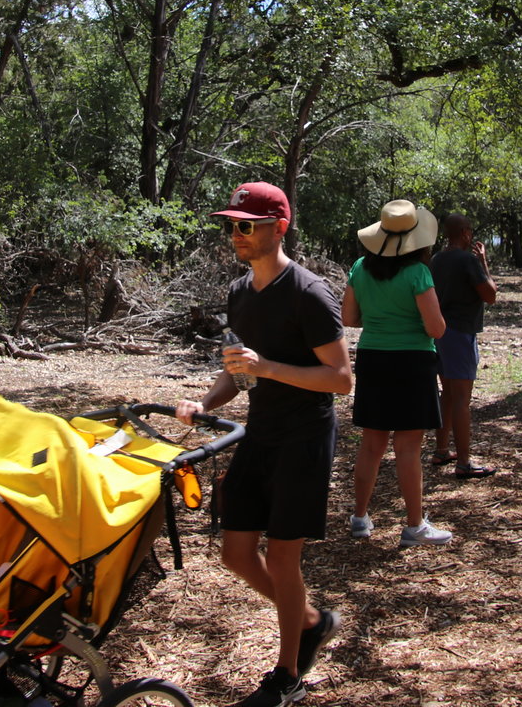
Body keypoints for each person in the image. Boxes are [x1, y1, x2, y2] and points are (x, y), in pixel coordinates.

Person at [176, 182, 352, 707]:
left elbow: (341, 379)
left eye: (246, 225)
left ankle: (288, 675)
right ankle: (312, 621)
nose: (236, 235)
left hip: (304, 436)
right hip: (261, 430)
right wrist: (207, 403)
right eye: (232, 225)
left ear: (279, 227)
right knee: (235, 553)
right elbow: (238, 370)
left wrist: (267, 368)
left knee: (281, 558)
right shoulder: (240, 293)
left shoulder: (309, 293)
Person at [341, 199, 452, 547]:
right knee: (408, 447)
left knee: (371, 444)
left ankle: (359, 517)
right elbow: (436, 329)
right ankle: (414, 526)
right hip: (412, 362)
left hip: (373, 358)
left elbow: (348, 318)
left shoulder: (360, 267)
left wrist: (377, 320)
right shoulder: (418, 273)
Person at [428, 213, 497, 478]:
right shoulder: (468, 260)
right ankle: (465, 462)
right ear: (465, 233)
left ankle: (442, 449)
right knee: (461, 399)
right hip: (460, 334)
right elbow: (490, 294)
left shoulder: (436, 259)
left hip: (440, 333)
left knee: (446, 393)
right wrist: (484, 263)